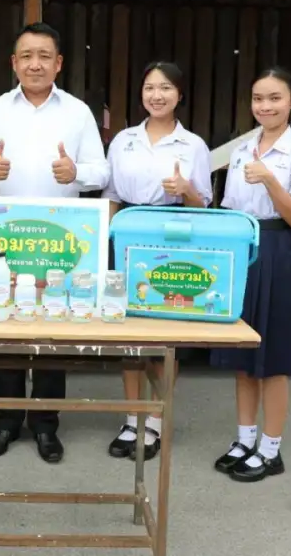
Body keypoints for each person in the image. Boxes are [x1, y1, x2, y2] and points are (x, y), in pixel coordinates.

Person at [0, 22, 110, 464]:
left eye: (44, 56)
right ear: (14, 63)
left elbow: (101, 172)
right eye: (26, 56)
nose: (35, 64)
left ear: (58, 63)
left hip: (58, 244)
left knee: (51, 328)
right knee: (6, 327)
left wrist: (76, 173)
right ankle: (5, 423)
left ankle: (46, 425)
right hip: (4, 241)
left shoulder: (78, 112)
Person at [211, 67, 291, 482]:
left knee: (272, 356)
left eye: (275, 98)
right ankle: (244, 439)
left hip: (277, 248)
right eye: (259, 98)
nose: (265, 106)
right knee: (242, 351)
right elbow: (229, 207)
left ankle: (271, 449)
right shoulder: (243, 149)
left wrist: (271, 181)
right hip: (242, 249)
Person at [101, 61, 212, 461]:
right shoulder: (123, 140)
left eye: (165, 88)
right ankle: (132, 418)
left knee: (166, 333)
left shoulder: (193, 145)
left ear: (179, 95)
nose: (156, 95)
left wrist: (186, 190)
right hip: (126, 234)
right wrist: (105, 245)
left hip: (172, 235)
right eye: (149, 87)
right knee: (129, 331)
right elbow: (111, 195)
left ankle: (156, 420)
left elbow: (205, 204)